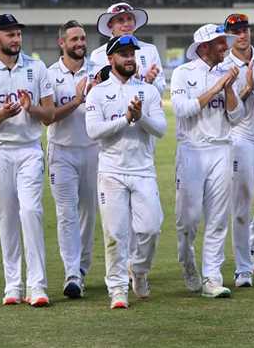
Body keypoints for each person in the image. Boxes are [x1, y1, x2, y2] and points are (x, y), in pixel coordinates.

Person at [0, 14, 55, 306]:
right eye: (9, 34)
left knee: (31, 212)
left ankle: (38, 286)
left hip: (29, 149)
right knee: (7, 218)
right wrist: (1, 115)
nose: (16, 39)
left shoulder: (37, 68)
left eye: (18, 34)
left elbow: (50, 115)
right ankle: (13, 286)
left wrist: (31, 110)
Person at [85, 35, 167, 309]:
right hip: (111, 171)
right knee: (115, 234)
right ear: (111, 59)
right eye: (123, 54)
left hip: (143, 169)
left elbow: (161, 129)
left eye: (132, 54)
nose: (130, 58)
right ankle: (117, 288)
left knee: (151, 228)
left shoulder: (149, 91)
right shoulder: (97, 93)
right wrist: (125, 119)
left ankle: (139, 270)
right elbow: (93, 131)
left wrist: (140, 116)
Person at [171, 24, 242, 298]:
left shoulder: (228, 73)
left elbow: (237, 117)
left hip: (222, 148)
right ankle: (188, 263)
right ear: (204, 47)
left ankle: (212, 277)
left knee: (218, 218)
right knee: (187, 220)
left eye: (225, 41)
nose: (226, 46)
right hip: (192, 149)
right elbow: (182, 109)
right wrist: (217, 87)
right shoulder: (182, 73)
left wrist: (230, 90)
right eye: (220, 43)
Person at [217, 13, 254, 287]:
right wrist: (248, 88)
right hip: (241, 138)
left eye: (245, 29)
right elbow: (230, 113)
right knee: (241, 205)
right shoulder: (223, 66)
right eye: (235, 31)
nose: (241, 35)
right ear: (229, 36)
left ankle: (251, 249)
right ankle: (242, 268)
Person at [46, 20, 98, 299]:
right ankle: (72, 274)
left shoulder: (98, 71)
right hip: (62, 152)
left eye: (82, 38)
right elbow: (48, 116)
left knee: (88, 215)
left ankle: (82, 270)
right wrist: (77, 100)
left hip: (93, 150)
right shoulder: (49, 74)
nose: (80, 43)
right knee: (66, 214)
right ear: (62, 43)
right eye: (74, 39)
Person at [91, 2, 165, 96]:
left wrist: (149, 82)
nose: (126, 24)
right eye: (120, 20)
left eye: (129, 19)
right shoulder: (98, 55)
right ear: (110, 25)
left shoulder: (150, 50)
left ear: (135, 23)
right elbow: (94, 92)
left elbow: (161, 91)